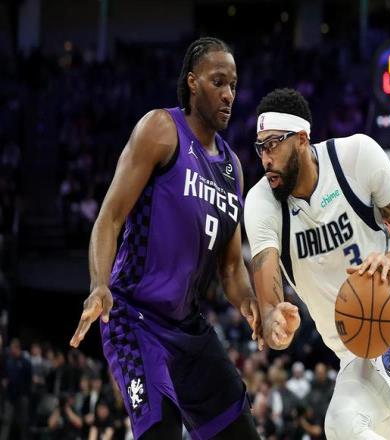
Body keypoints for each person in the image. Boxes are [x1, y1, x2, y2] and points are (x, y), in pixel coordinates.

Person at [70, 37, 261, 440]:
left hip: (187, 326)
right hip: (133, 317)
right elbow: (109, 217)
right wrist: (99, 284)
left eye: (233, 85)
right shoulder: (161, 129)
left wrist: (251, 304)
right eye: (218, 82)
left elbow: (230, 267)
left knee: (242, 432)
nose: (228, 94)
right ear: (192, 82)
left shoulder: (232, 168)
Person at [244, 88, 390, 439]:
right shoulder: (262, 202)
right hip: (353, 349)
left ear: (302, 139)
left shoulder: (355, 158)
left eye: (273, 144)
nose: (265, 158)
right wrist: (274, 321)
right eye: (260, 147)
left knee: (343, 420)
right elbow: (268, 298)